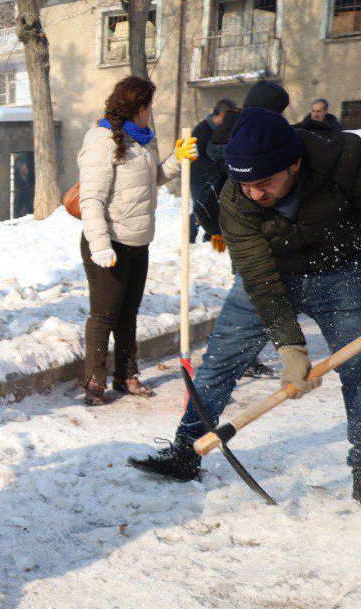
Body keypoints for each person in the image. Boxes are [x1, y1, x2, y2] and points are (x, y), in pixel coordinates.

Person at [136, 108, 361, 505]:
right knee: (220, 363)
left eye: (264, 183)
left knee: (359, 374)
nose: (254, 194)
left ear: (293, 164)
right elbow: (258, 276)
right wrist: (290, 345)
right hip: (271, 272)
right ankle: (187, 450)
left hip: (338, 271)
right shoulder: (235, 198)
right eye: (245, 184)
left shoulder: (347, 160)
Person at [77, 76, 198, 406]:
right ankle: (94, 380)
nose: (151, 114)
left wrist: (177, 159)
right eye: (149, 107)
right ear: (137, 108)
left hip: (137, 241)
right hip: (108, 243)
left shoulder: (140, 142)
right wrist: (100, 243)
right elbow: (91, 198)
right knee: (104, 315)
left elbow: (151, 179)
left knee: (128, 313)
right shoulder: (101, 140)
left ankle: (125, 375)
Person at [189, 99, 236, 243]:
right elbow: (195, 157)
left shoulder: (223, 130)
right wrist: (215, 168)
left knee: (215, 207)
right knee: (201, 207)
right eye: (229, 116)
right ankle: (190, 237)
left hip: (217, 177)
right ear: (222, 114)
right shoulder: (201, 130)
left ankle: (209, 237)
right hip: (199, 178)